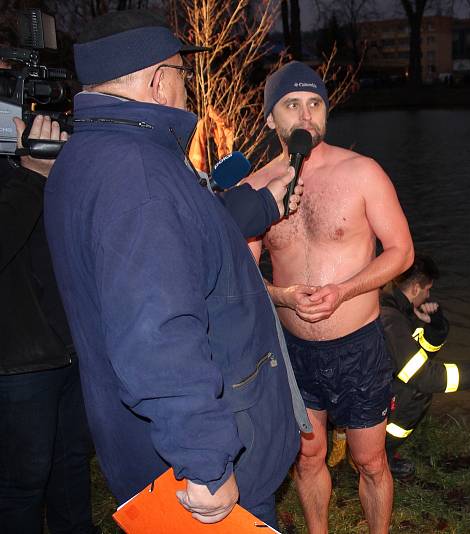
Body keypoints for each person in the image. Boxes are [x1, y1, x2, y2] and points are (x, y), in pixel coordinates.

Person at [44, 10, 310, 528]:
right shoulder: (139, 178)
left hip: (147, 453)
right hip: (198, 476)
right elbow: (155, 332)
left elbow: (177, 245)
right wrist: (206, 461)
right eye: (182, 76)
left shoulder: (92, 154)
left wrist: (259, 206)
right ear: (158, 81)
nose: (187, 87)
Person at [245, 61, 414, 534]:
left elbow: (401, 252)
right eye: (292, 104)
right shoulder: (256, 188)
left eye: (315, 103)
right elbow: (239, 274)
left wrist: (344, 291)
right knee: (309, 455)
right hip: (294, 350)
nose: (306, 115)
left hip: (357, 347)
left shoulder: (362, 173)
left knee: (371, 460)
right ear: (269, 118)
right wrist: (280, 295)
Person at [0, 102, 95, 533]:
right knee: (23, 482)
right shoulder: (24, 170)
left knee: (71, 467)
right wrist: (32, 175)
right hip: (16, 358)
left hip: (67, 343)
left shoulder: (33, 156)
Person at [378, 254, 470, 476]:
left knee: (416, 386)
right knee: (417, 393)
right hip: (369, 390)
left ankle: (374, 447)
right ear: (416, 287)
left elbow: (421, 352)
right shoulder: (391, 318)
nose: (429, 295)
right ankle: (379, 455)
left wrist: (436, 326)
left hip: (374, 381)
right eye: (428, 289)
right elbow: (425, 376)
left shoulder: (393, 306)